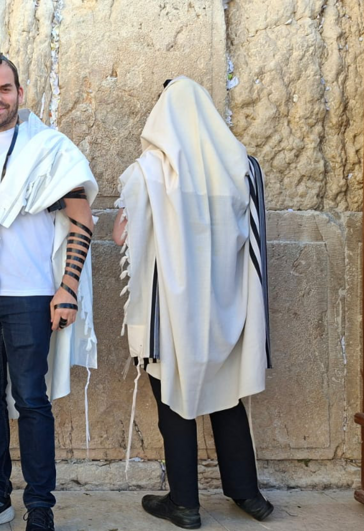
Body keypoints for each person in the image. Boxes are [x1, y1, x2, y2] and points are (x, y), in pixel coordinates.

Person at [113, 76, 272, 530]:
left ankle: (184, 503)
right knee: (226, 398)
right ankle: (248, 494)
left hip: (171, 315)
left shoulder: (148, 170)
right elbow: (256, 245)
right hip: (226, 309)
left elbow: (123, 237)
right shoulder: (243, 167)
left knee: (174, 401)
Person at [0, 48, 98, 531]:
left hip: (30, 296)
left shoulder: (48, 148)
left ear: (19, 92)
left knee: (33, 401)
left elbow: (81, 218)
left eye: (5, 89)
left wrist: (68, 287)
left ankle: (40, 507)